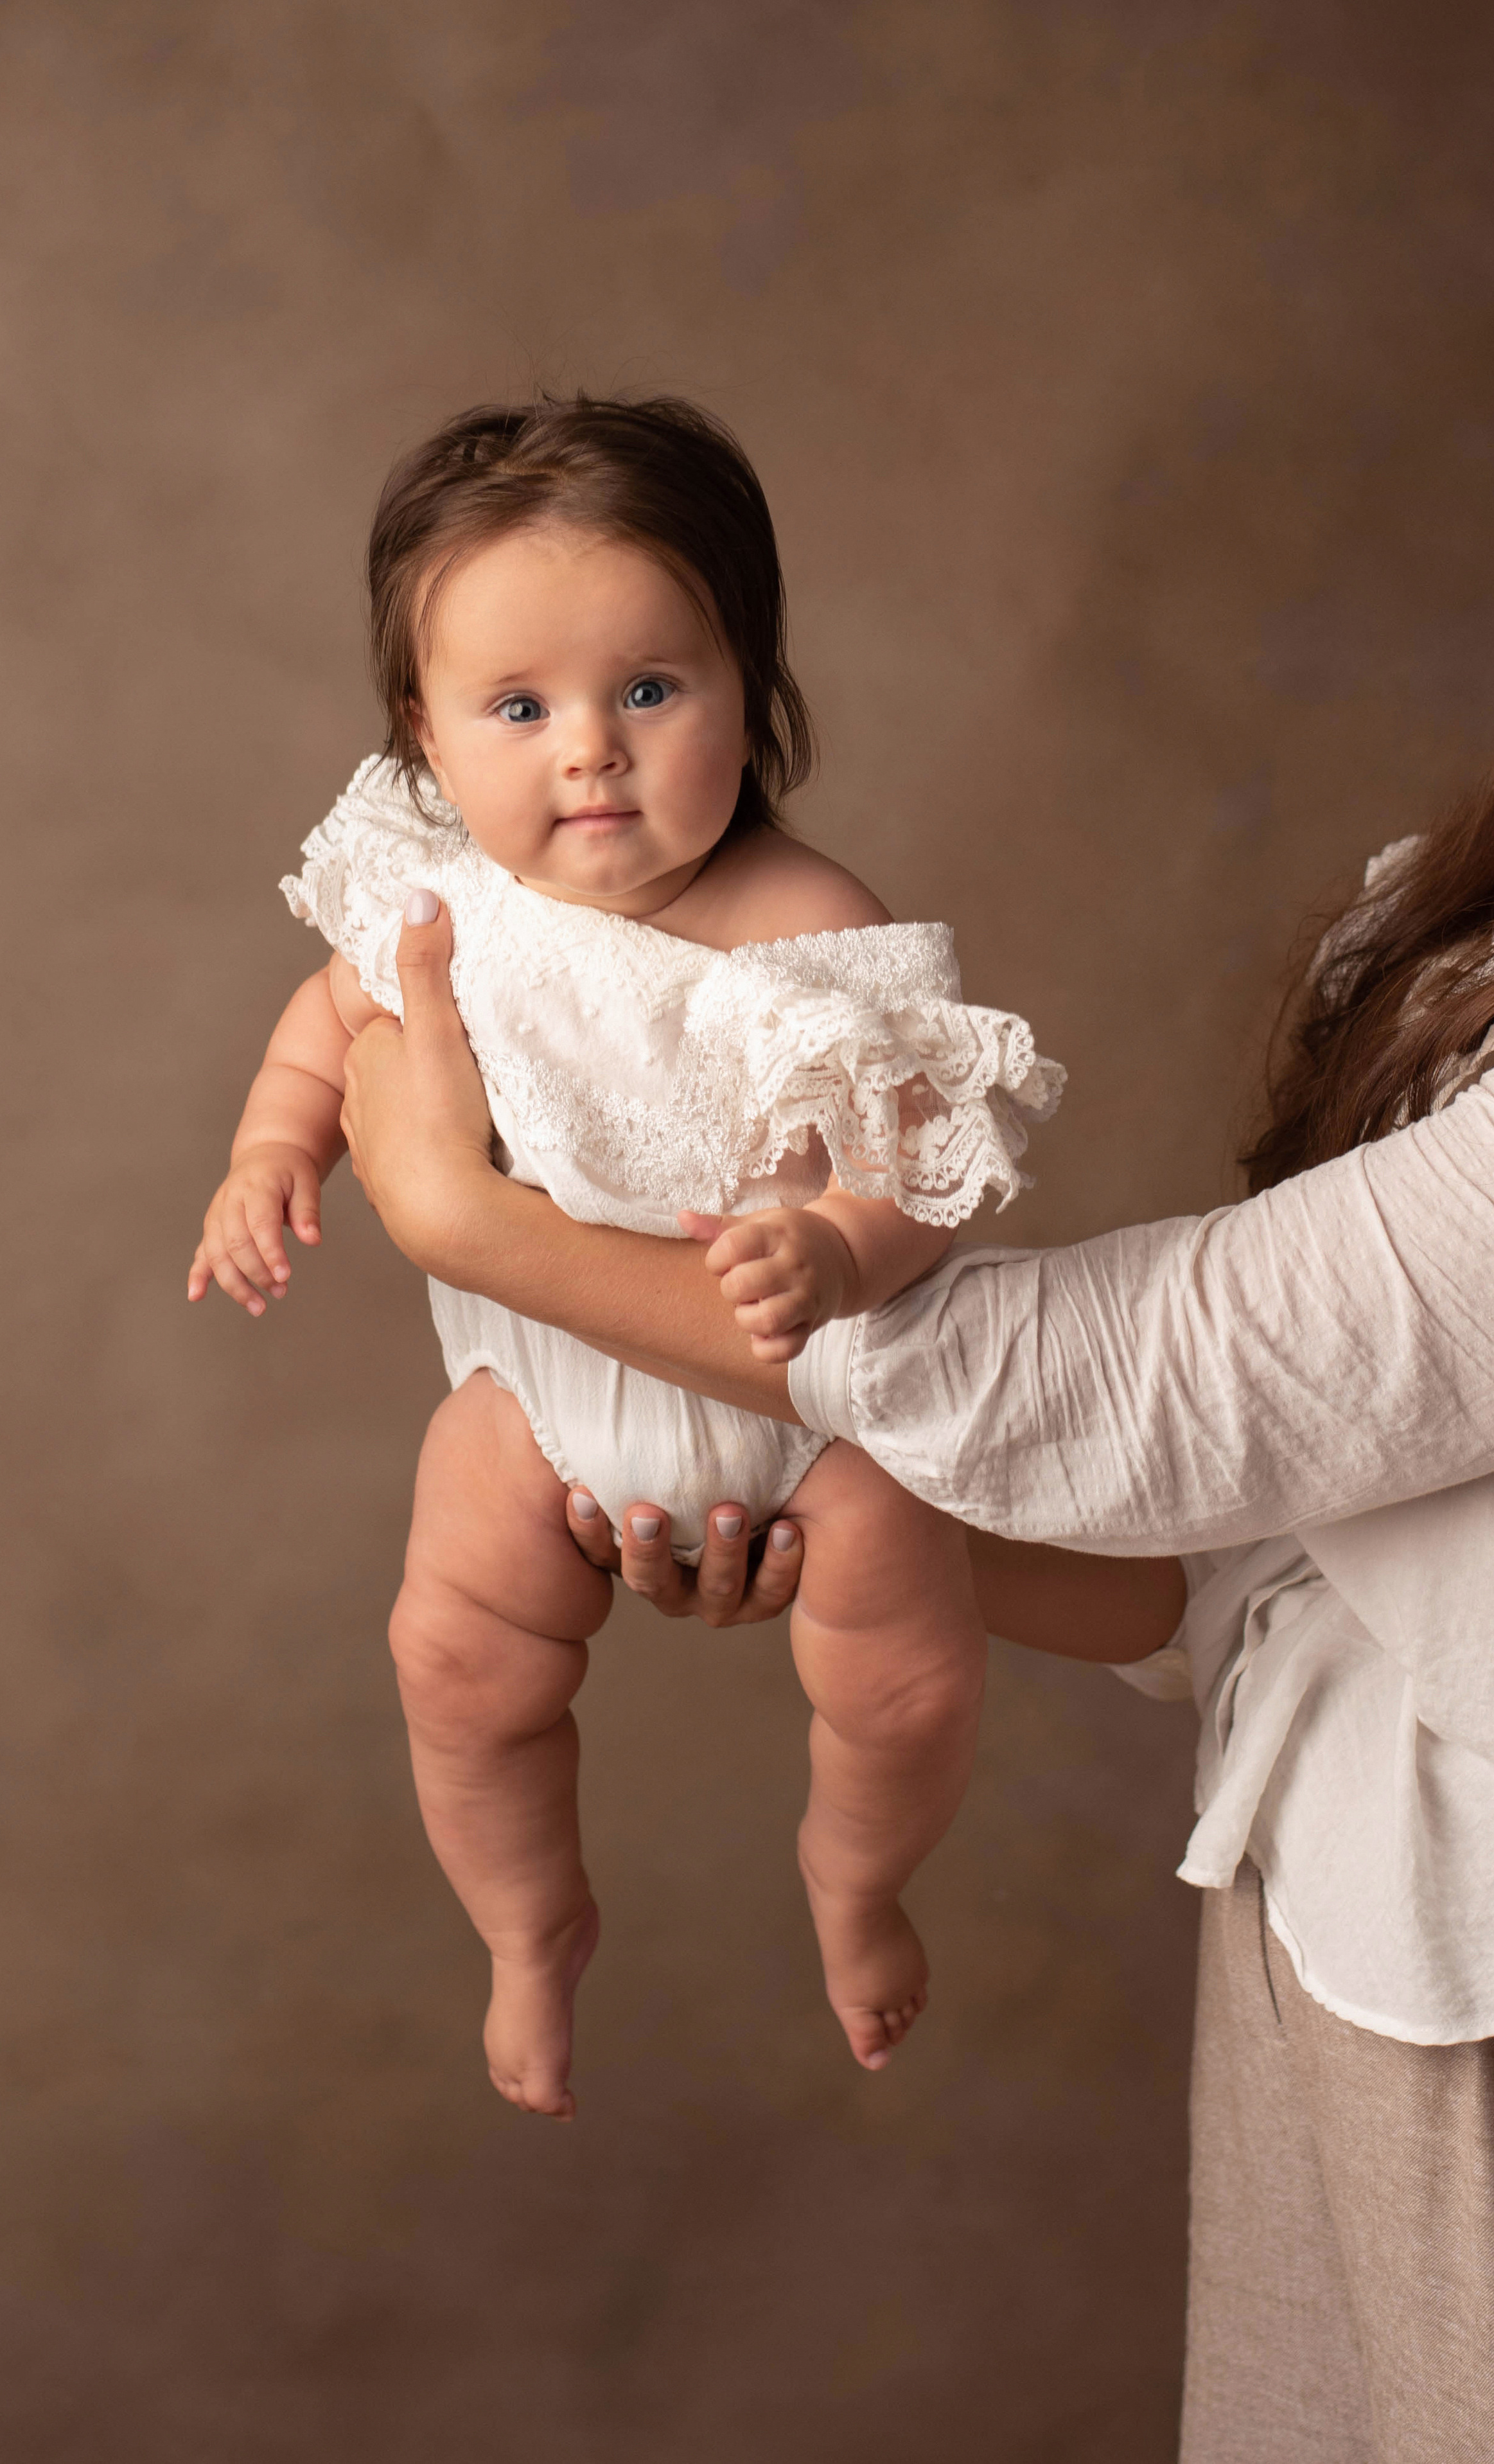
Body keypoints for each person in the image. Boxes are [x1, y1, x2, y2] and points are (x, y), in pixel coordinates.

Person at [338, 791, 1494, 2461]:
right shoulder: (1438, 917)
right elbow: (1270, 1572)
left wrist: (477, 1227)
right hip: (1326, 1907)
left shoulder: (796, 921)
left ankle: (850, 1889)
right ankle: (563, 1926)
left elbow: (1157, 1384)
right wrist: (803, 1502)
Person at [188, 394, 1076, 2118]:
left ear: (753, 690)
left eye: (649, 690)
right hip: (543, 1388)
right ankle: (528, 1925)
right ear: (426, 739)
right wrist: (266, 1153)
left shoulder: (814, 927)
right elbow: (325, 1021)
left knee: (903, 1671)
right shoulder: (451, 909)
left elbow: (924, 1160)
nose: (588, 748)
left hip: (808, 1402)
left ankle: (857, 1878)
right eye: (518, 708)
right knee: (453, 1651)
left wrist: (834, 1243)